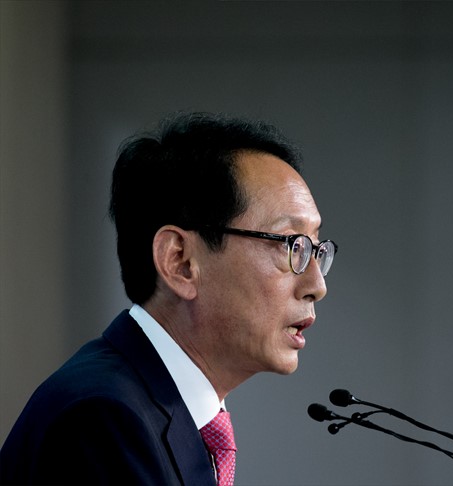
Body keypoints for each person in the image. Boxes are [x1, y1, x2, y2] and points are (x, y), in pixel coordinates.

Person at [0, 112, 337, 485]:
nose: (317, 285)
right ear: (180, 262)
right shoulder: (105, 419)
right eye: (292, 245)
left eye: (316, 248)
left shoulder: (158, 408)